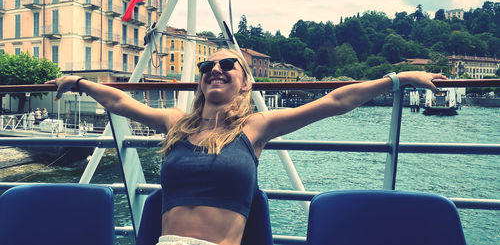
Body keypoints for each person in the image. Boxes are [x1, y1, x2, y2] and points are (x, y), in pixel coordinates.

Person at [46, 49, 446, 245]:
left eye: (227, 65)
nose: (215, 69)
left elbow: (334, 102)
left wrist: (397, 79)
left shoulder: (256, 127)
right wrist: (79, 82)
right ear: (201, 82)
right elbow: (120, 102)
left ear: (245, 84)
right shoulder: (175, 124)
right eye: (207, 67)